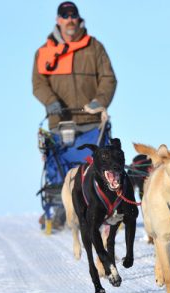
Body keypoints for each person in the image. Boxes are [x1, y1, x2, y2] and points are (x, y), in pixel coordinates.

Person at [32, 1, 117, 230]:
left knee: (96, 169)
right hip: (60, 123)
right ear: (58, 20)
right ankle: (59, 213)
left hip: (91, 124)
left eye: (73, 15)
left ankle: (101, 211)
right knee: (57, 170)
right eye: (65, 15)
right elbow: (38, 84)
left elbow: (108, 78)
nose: (70, 19)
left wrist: (100, 101)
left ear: (78, 19)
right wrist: (50, 102)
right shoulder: (44, 52)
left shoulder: (94, 47)